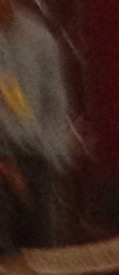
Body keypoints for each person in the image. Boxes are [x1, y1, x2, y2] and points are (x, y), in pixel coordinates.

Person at [0, 0, 71, 255]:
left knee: (41, 254)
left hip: (36, 160)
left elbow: (56, 104)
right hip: (2, 158)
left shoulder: (38, 39)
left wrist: (51, 156)